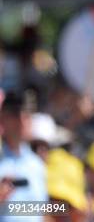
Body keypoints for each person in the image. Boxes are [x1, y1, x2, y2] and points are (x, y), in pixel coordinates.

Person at [0, 90, 48, 222]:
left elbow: (43, 211)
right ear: (3, 118)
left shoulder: (37, 164)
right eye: (15, 115)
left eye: (26, 115)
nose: (22, 121)